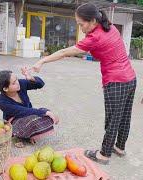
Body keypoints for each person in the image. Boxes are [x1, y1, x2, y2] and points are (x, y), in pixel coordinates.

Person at [29, 3, 136, 164]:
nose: (80, 28)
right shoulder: (110, 27)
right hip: (130, 78)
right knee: (124, 116)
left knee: (113, 119)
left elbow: (65, 52)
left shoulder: (95, 38)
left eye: (81, 24)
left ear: (93, 20)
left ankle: (104, 154)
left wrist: (42, 61)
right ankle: (119, 147)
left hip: (116, 81)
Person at [0, 68, 59, 147]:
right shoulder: (2, 102)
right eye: (13, 83)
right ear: (6, 89)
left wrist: (30, 78)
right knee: (37, 117)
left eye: (16, 79)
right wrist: (45, 112)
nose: (17, 83)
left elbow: (40, 84)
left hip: (28, 113)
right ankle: (19, 135)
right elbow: (23, 111)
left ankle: (29, 134)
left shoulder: (21, 84)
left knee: (46, 114)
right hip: (14, 120)